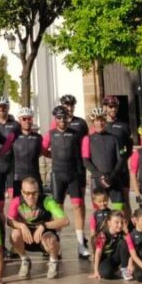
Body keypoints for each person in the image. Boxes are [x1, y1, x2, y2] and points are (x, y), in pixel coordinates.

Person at [43, 104, 89, 259]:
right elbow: (43, 150)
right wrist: (53, 156)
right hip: (58, 175)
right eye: (59, 118)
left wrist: (82, 175)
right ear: (55, 119)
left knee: (77, 207)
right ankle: (57, 244)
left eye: (64, 117)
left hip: (74, 174)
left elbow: (82, 153)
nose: (62, 120)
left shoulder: (75, 133)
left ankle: (81, 244)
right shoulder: (50, 134)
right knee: (58, 209)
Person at [7, 177, 68, 279]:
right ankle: (25, 260)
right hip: (27, 238)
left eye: (34, 193)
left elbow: (65, 221)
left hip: (44, 238)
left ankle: (53, 262)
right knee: (14, 235)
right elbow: (9, 221)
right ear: (22, 192)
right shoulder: (17, 201)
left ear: (38, 192)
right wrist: (21, 225)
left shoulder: (47, 201)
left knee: (50, 239)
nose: (31, 196)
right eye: (27, 193)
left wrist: (43, 226)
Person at [82, 107, 127, 210]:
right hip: (98, 179)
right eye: (97, 120)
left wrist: (112, 176)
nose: (100, 123)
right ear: (93, 122)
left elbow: (121, 159)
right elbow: (85, 160)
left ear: (105, 121)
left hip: (114, 178)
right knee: (99, 212)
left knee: (119, 211)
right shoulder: (88, 139)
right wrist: (100, 175)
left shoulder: (114, 138)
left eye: (102, 120)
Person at [0, 97, 20, 200]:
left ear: (8, 107)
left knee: (14, 199)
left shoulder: (15, 125)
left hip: (12, 166)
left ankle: (13, 216)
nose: (1, 109)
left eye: (3, 106)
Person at [11, 107, 43, 193]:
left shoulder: (38, 137)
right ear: (19, 120)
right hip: (18, 176)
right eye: (24, 119)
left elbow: (42, 152)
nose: (27, 121)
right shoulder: (14, 137)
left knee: (38, 202)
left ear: (32, 120)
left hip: (34, 174)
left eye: (29, 118)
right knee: (19, 203)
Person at [92, 210, 130, 280]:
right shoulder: (103, 235)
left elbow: (131, 248)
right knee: (107, 274)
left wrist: (127, 232)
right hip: (105, 260)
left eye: (122, 222)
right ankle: (114, 269)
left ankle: (124, 269)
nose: (120, 225)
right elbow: (98, 253)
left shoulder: (123, 232)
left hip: (116, 258)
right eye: (116, 222)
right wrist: (95, 271)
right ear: (109, 223)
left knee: (124, 242)